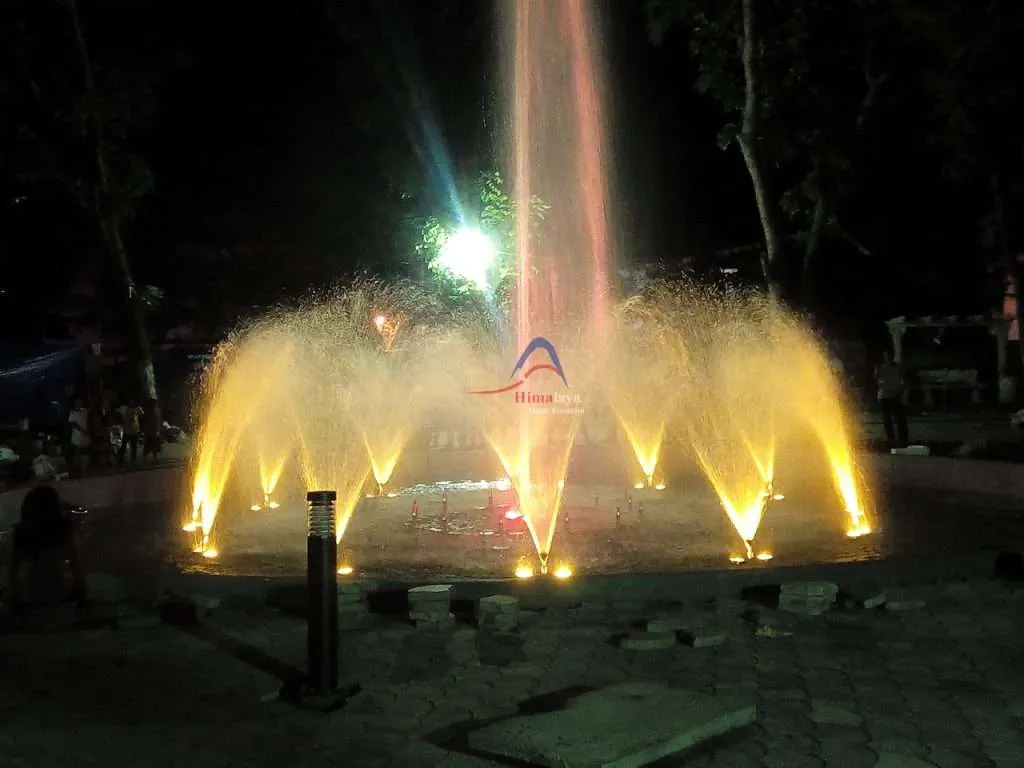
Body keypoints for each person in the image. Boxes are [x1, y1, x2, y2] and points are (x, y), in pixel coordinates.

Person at [1, 474, 88, 620]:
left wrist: (9, 604)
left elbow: (12, 576)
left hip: (28, 597)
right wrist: (83, 600)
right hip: (59, 594)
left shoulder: (18, 533)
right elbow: (76, 570)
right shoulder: (65, 530)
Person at [875, 349, 909, 448]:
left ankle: (902, 438)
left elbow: (904, 380)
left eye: (889, 356)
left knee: (899, 418)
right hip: (885, 396)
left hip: (895, 395)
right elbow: (877, 379)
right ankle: (890, 439)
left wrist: (903, 393)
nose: (887, 358)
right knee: (887, 419)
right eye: (886, 356)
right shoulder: (881, 368)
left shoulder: (898, 367)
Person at [67, 397, 90, 477]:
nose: (79, 403)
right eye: (78, 402)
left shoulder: (84, 411)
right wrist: (82, 430)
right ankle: (75, 472)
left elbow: (88, 420)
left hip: (85, 435)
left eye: (80, 401)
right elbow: (73, 425)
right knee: (77, 453)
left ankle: (84, 470)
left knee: (85, 453)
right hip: (77, 436)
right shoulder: (72, 413)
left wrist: (87, 431)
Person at [118, 399, 143, 465]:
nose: (131, 403)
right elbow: (121, 417)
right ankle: (120, 459)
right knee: (124, 445)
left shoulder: (137, 408)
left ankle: (133, 460)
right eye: (130, 401)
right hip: (127, 430)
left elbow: (142, 415)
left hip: (135, 430)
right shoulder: (125, 408)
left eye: (133, 401)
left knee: (134, 446)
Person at [141, 397, 162, 465]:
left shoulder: (157, 411)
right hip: (150, 432)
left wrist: (158, 430)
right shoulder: (148, 412)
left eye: (155, 403)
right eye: (153, 403)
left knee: (155, 447)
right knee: (147, 447)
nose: (154, 404)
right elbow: (146, 422)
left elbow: (158, 421)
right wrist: (146, 431)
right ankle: (144, 460)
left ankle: (154, 459)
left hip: (155, 432)